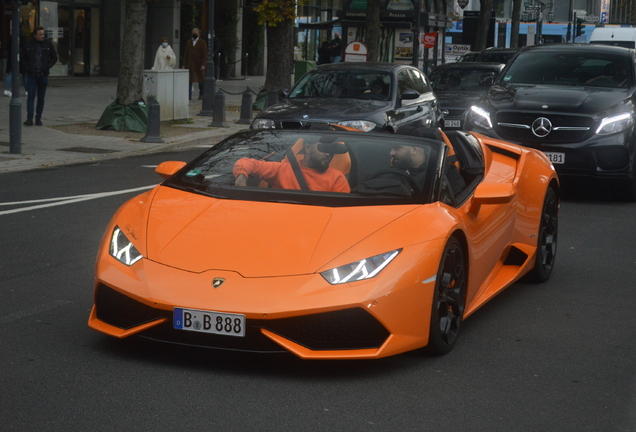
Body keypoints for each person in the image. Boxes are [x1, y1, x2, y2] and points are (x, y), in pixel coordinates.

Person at [233, 140, 350, 193]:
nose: (328, 154)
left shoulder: (337, 178)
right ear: (308, 148)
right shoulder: (283, 169)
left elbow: (341, 213)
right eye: (323, 148)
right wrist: (241, 176)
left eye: (331, 150)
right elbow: (247, 163)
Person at [20, 26, 57, 126]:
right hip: (32, 75)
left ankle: (38, 118)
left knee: (41, 98)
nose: (42, 36)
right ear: (34, 35)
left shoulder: (47, 44)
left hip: (43, 74)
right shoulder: (28, 45)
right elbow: (23, 58)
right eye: (40, 34)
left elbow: (54, 57)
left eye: (43, 34)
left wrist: (48, 66)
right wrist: (28, 68)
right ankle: (29, 118)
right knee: (31, 97)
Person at [182, 28, 207, 100]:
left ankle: (201, 94)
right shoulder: (189, 42)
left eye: (196, 33)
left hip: (199, 64)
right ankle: (189, 95)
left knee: (201, 80)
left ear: (199, 34)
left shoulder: (202, 42)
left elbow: (204, 54)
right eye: (193, 33)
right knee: (189, 80)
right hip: (190, 64)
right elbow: (186, 54)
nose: (194, 35)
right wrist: (184, 64)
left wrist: (203, 64)